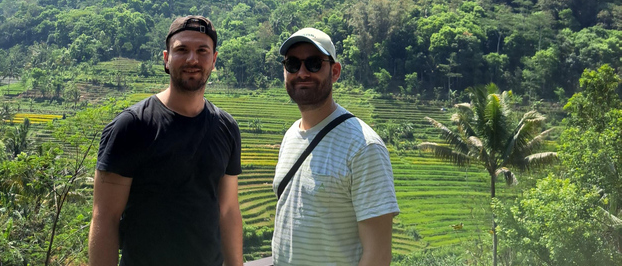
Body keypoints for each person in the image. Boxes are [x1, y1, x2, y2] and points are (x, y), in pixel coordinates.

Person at [89, 16, 243, 266]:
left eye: (202, 51)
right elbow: (105, 217)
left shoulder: (227, 128)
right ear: (166, 58)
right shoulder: (132, 126)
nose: (192, 59)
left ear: (213, 60)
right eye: (182, 50)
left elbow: (228, 211)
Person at [272, 27, 399, 266]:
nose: (302, 72)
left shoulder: (363, 146)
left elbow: (378, 256)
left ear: (335, 71)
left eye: (313, 63)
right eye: (292, 64)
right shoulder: (290, 136)